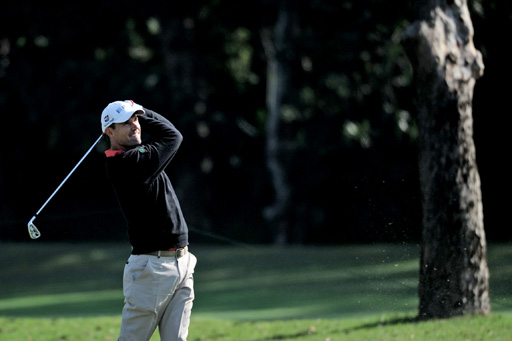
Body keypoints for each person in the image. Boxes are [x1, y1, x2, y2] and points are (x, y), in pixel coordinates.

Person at [101, 100, 197, 341]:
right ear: (110, 131)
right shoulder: (127, 163)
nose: (135, 125)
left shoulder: (138, 157)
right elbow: (173, 136)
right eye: (126, 122)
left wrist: (136, 112)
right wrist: (144, 110)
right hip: (151, 269)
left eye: (136, 119)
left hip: (182, 263)